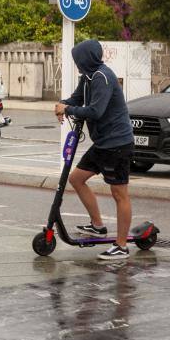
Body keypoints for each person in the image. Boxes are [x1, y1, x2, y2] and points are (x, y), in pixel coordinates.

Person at [54, 39, 134, 261]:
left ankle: (121, 246)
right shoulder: (88, 77)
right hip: (102, 143)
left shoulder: (102, 77)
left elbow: (95, 111)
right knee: (76, 179)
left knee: (119, 193)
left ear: (86, 58)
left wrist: (68, 109)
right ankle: (98, 225)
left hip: (117, 144)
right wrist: (61, 105)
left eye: (78, 59)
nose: (77, 64)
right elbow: (76, 99)